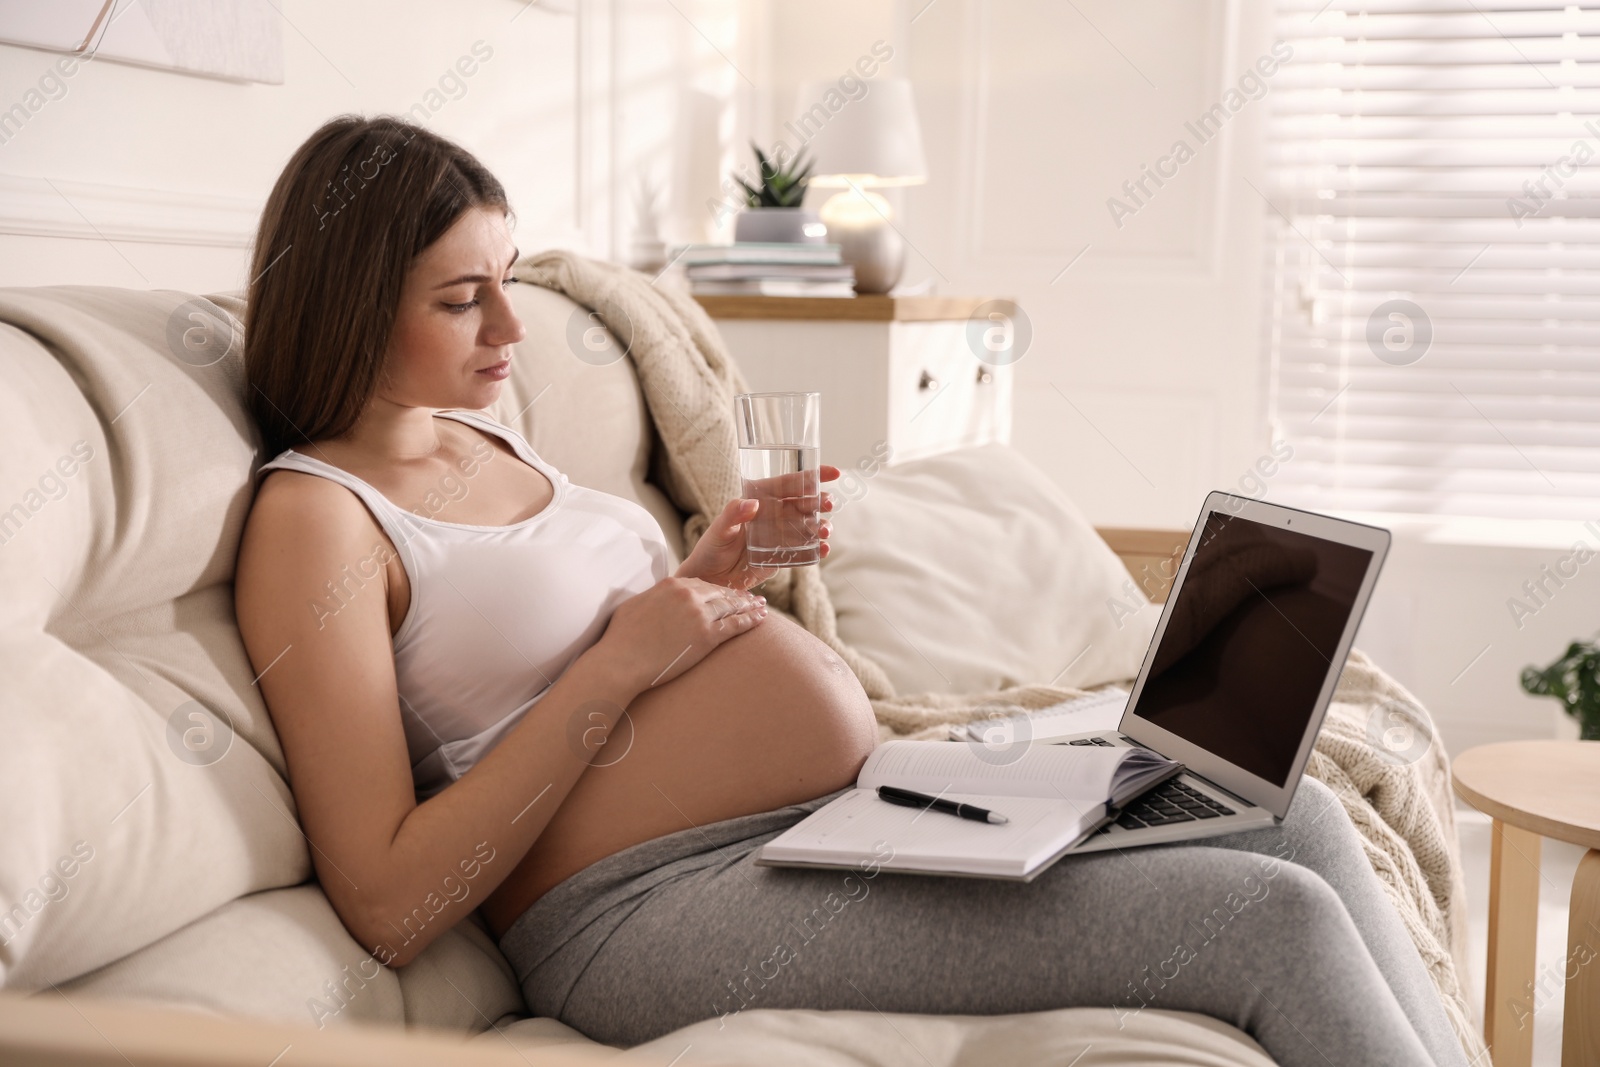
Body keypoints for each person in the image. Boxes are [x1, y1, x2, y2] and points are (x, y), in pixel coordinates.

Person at [234, 116, 1467, 1067]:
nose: (514, 321)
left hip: (818, 822)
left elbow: (586, 649)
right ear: (348, 304)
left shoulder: (481, 432)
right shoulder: (317, 521)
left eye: (509, 276)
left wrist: (712, 578)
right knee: (1268, 920)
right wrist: (626, 659)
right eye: (463, 298)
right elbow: (393, 898)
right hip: (637, 910)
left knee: (1292, 815)